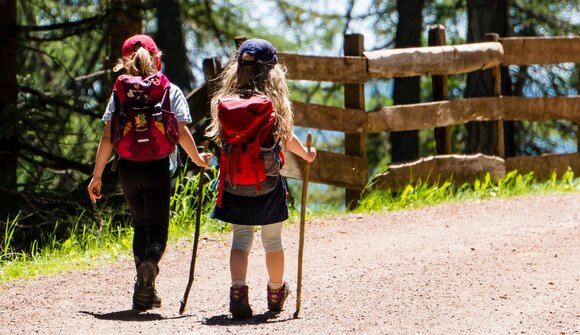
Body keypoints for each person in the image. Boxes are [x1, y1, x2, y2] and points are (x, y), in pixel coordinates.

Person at [87, 34, 211, 312]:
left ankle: (144, 290)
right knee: (158, 231)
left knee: (140, 225)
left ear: (124, 62)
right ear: (157, 59)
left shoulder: (119, 93)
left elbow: (108, 137)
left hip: (128, 168)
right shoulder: (169, 89)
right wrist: (198, 159)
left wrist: (96, 177)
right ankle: (150, 265)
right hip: (158, 167)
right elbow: (180, 132)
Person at [206, 38, 317, 319]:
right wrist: (306, 155)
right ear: (273, 72)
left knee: (240, 240)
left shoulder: (224, 103)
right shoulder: (272, 103)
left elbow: (219, 140)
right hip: (266, 185)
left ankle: (237, 291)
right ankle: (276, 291)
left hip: (233, 185)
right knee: (273, 241)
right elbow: (286, 138)